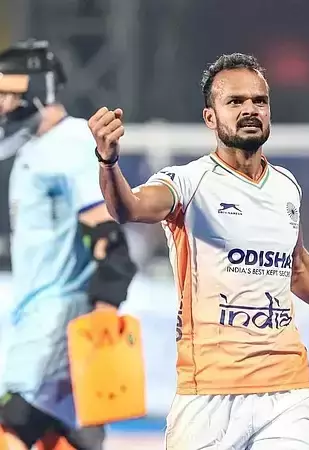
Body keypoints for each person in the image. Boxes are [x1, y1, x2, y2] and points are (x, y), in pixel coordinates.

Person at [88, 52, 309, 449]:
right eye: (235, 101)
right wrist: (108, 161)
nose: (250, 109)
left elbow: (296, 267)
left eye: (259, 100)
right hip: (209, 398)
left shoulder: (286, 186)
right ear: (210, 117)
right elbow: (128, 208)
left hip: (288, 392)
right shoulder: (188, 181)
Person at [0, 39, 137, 450]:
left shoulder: (71, 141)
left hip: (59, 325)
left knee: (11, 424)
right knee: (62, 434)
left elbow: (108, 237)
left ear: (34, 90)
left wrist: (103, 313)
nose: (2, 104)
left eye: (7, 93)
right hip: (37, 322)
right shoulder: (34, 148)